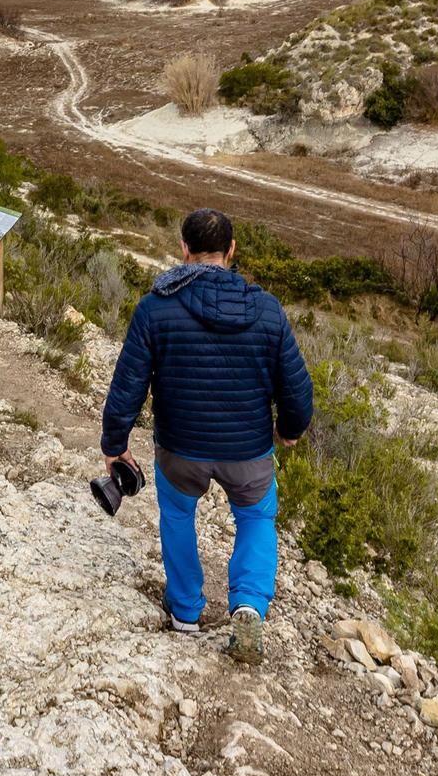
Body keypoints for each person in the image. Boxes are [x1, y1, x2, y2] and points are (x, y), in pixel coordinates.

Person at [100, 208, 314, 665]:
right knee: (256, 520)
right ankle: (248, 605)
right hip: (249, 450)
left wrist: (114, 445)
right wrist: (288, 431)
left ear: (183, 249)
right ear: (231, 251)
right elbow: (297, 388)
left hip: (180, 449)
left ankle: (184, 610)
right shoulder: (267, 310)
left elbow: (128, 385)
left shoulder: (156, 307)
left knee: (178, 517)